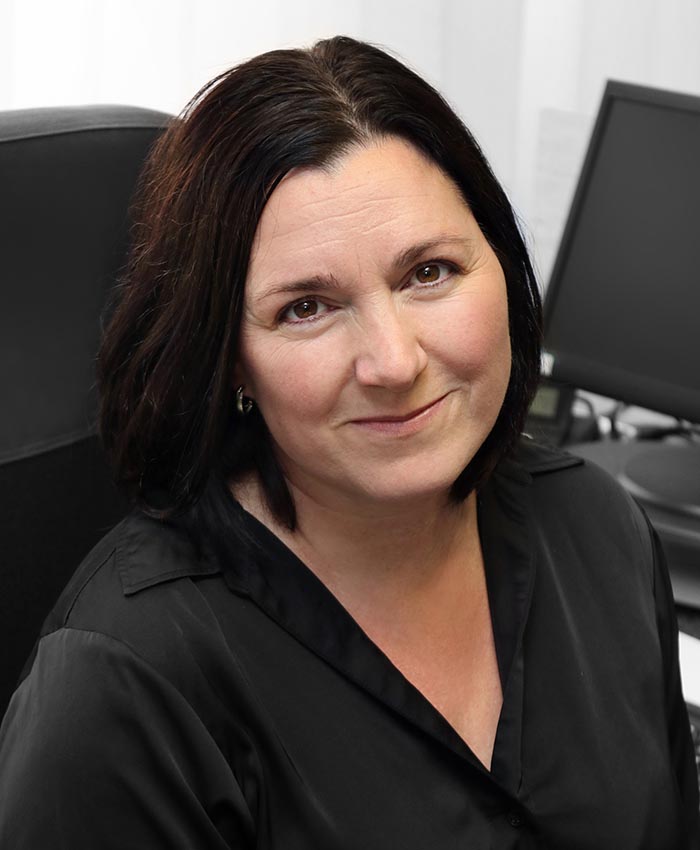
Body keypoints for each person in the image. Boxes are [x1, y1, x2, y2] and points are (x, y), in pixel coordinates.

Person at [0, 35, 697, 849]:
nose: (394, 363)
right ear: (229, 360)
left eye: (429, 272)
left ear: (502, 267)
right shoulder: (123, 686)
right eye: (306, 308)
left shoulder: (600, 529)